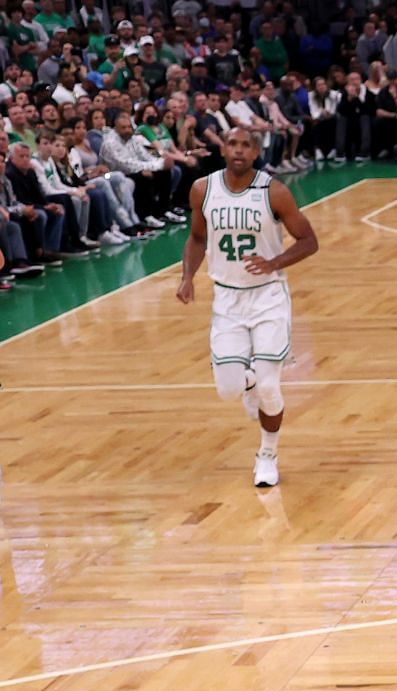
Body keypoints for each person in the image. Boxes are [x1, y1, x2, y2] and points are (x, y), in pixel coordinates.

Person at [175, 127, 318, 488]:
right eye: (232, 144)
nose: (238, 150)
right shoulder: (203, 189)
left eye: (246, 146)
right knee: (227, 389)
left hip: (268, 296)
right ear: (223, 149)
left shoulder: (274, 192)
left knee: (271, 387)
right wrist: (187, 277)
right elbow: (196, 237)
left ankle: (267, 454)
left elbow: (309, 240)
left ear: (255, 153)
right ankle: (248, 384)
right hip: (227, 297)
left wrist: (275, 262)